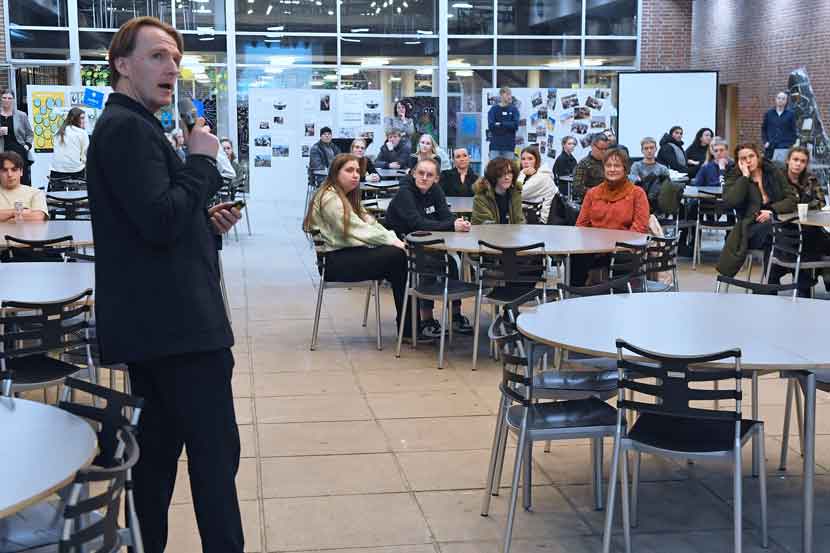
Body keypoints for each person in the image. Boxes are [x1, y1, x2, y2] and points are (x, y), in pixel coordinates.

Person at [86, 17, 244, 553]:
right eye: (156, 56)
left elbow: (155, 223)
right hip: (180, 334)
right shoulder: (127, 129)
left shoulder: (136, 126)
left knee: (155, 465)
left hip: (157, 330)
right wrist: (201, 161)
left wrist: (203, 219)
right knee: (215, 463)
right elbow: (158, 220)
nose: (171, 68)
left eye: (174, 58)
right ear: (122, 64)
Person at [303, 153, 410, 333]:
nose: (355, 175)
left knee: (398, 258)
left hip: (347, 254)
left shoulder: (346, 196)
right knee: (398, 257)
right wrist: (393, 241)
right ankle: (409, 327)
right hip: (334, 263)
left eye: (357, 171)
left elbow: (370, 223)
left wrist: (392, 238)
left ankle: (409, 326)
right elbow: (357, 230)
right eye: (349, 170)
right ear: (336, 173)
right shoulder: (330, 198)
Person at [385, 157, 473, 338]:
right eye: (421, 173)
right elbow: (416, 223)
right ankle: (427, 319)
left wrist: (453, 223)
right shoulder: (405, 193)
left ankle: (455, 316)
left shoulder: (435, 190)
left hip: (430, 241)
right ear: (413, 173)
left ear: (436, 179)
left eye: (429, 175)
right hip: (403, 246)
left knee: (452, 261)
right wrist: (448, 225)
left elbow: (446, 216)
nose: (424, 178)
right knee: (430, 264)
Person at [716, 142, 797, 278]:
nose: (748, 160)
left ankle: (787, 282)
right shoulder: (734, 177)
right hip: (749, 227)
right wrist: (745, 177)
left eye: (751, 156)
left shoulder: (772, 171)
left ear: (758, 156)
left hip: (775, 221)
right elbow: (730, 202)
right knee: (774, 233)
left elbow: (791, 199)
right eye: (743, 158)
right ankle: (778, 282)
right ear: (738, 162)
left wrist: (772, 211)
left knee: (796, 233)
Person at [571, 147, 650, 285]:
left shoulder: (637, 193)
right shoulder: (593, 193)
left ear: (625, 169)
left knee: (621, 258)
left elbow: (640, 227)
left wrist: (615, 247)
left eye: (617, 165)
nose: (612, 169)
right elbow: (581, 225)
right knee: (576, 257)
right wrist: (593, 245)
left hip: (624, 249)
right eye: (608, 165)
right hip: (594, 248)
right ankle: (576, 297)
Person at [767, 146, 830, 296]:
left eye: (803, 161)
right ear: (788, 160)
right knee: (815, 244)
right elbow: (777, 203)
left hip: (809, 226)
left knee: (818, 240)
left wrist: (802, 206)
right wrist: (800, 205)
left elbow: (820, 202)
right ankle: (808, 284)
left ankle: (813, 282)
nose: (798, 164)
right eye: (795, 160)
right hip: (786, 228)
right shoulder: (778, 179)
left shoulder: (810, 179)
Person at [471, 157, 524, 225]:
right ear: (494, 176)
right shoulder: (481, 197)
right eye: (502, 174)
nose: (507, 177)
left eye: (510, 173)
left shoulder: (515, 193)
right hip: (488, 234)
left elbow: (519, 221)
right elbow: (487, 226)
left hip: (511, 234)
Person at [0, 151, 48, 221]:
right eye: (5, 170)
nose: (9, 174)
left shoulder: (36, 193)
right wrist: (17, 212)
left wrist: (6, 217)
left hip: (28, 232)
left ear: (21, 172)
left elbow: (38, 217)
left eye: (14, 170)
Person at [0, 89, 34, 186]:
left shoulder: (21, 115)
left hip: (18, 151)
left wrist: (27, 146)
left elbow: (29, 133)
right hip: (2, 151)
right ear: (1, 99)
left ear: (13, 100)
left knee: (22, 180)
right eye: (4, 98)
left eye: (9, 98)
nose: (7, 100)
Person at [628, 137, 670, 211]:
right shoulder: (636, 166)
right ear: (642, 150)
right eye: (646, 148)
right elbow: (634, 186)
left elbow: (666, 190)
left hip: (658, 204)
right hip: (639, 203)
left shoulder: (663, 169)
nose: (649, 151)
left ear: (656, 149)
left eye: (651, 148)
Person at [517, 146, 557, 224]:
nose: (526, 162)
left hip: (539, 221)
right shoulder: (528, 175)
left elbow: (518, 194)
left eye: (530, 159)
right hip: (529, 215)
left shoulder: (542, 177)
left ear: (537, 161)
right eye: (523, 159)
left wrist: (522, 173)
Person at [50, 107, 89, 181]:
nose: (84, 121)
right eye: (82, 118)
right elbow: (86, 154)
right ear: (74, 118)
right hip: (76, 171)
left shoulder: (58, 131)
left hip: (56, 170)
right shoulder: (82, 133)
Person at [572, 132, 609, 201]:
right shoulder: (583, 164)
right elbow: (577, 188)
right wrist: (599, 192)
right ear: (592, 146)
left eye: (606, 149)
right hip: (592, 202)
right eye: (601, 149)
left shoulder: (608, 162)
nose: (604, 152)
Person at [762, 91, 797, 162]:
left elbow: (794, 131)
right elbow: (764, 129)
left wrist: (790, 144)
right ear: (776, 99)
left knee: (782, 168)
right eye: (779, 98)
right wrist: (765, 141)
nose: (780, 100)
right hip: (770, 146)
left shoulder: (791, 114)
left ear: (786, 101)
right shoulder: (769, 114)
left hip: (784, 147)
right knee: (767, 167)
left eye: (783, 99)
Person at [487, 86, 520, 160]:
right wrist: (508, 125)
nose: (509, 96)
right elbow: (491, 126)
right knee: (493, 169)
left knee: (508, 169)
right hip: (495, 146)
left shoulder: (514, 110)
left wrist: (500, 123)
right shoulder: (493, 109)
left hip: (509, 147)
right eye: (507, 94)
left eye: (510, 94)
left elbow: (515, 125)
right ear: (501, 95)